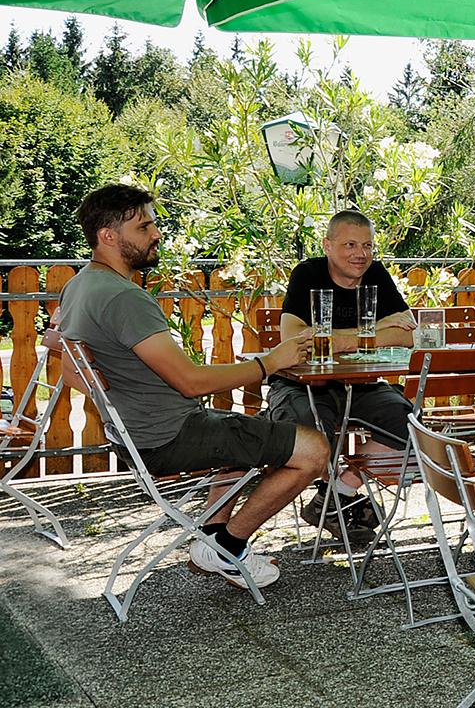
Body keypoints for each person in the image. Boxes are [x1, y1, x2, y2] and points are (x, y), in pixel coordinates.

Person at [58, 184, 330, 591]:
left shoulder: (80, 286)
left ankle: (213, 539)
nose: (156, 234)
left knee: (247, 435)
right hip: (169, 436)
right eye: (144, 226)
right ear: (108, 236)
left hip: (137, 435)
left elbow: (71, 373)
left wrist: (123, 398)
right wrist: (271, 362)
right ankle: (227, 546)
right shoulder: (123, 298)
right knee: (314, 449)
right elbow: (190, 382)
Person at [268, 209, 416, 542]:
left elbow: (408, 334)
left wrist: (338, 338)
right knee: (309, 434)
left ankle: (336, 493)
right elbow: (293, 337)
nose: (360, 254)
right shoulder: (308, 274)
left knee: (409, 423)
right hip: (301, 386)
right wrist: (373, 330)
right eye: (350, 244)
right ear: (328, 246)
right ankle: (340, 504)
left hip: (360, 384)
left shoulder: (376, 274)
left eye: (367, 245)